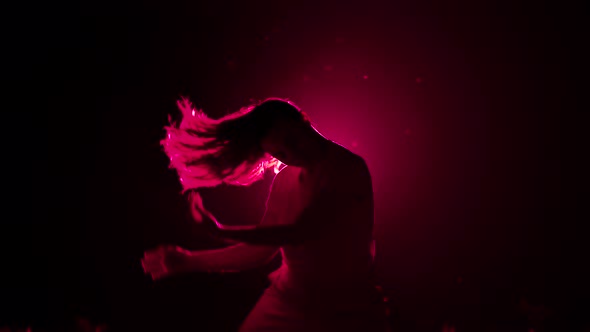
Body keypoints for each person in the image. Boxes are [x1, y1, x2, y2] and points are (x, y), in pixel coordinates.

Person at [142, 97, 390, 331]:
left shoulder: (347, 168)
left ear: (303, 119)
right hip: (289, 300)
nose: (294, 155)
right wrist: (189, 261)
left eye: (292, 140)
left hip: (347, 311)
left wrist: (220, 231)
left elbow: (301, 232)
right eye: (282, 154)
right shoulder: (286, 179)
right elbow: (259, 252)